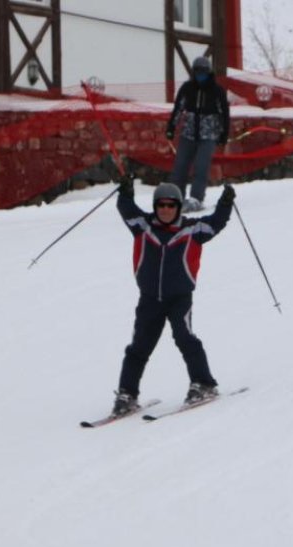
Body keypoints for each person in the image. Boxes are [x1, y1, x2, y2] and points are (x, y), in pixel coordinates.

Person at [107, 174, 236, 417]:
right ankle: (127, 394)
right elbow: (125, 208)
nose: (166, 210)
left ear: (178, 207)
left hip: (179, 298)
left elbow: (217, 221)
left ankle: (204, 383)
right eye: (161, 205)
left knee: (185, 337)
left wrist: (226, 201)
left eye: (171, 205)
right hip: (149, 299)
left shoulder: (193, 229)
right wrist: (125, 191)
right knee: (139, 346)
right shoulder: (142, 225)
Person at [167, 56, 231, 212]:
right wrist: (171, 127)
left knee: (201, 167)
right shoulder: (187, 88)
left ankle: (196, 198)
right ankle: (177, 198)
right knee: (180, 167)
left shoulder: (217, 91)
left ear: (208, 72)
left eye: (203, 71)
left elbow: (224, 114)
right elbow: (178, 108)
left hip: (208, 136)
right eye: (197, 71)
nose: (200, 75)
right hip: (188, 134)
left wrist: (223, 134)